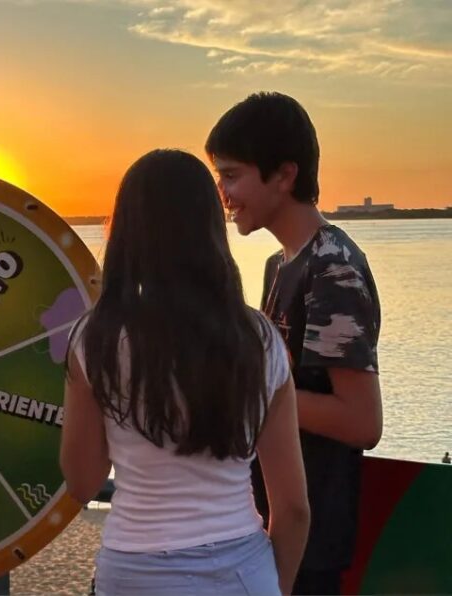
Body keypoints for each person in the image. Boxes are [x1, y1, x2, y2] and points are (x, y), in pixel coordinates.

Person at [61, 149, 310, 595]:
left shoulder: (96, 338)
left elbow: (83, 482)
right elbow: (292, 509)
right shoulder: (260, 339)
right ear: (212, 228)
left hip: (134, 575)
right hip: (243, 573)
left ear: (127, 232)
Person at [206, 91, 383, 595]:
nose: (222, 193)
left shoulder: (332, 266)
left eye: (231, 175)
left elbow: (362, 421)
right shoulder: (280, 265)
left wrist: (248, 394)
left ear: (284, 175)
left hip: (313, 541)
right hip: (274, 526)